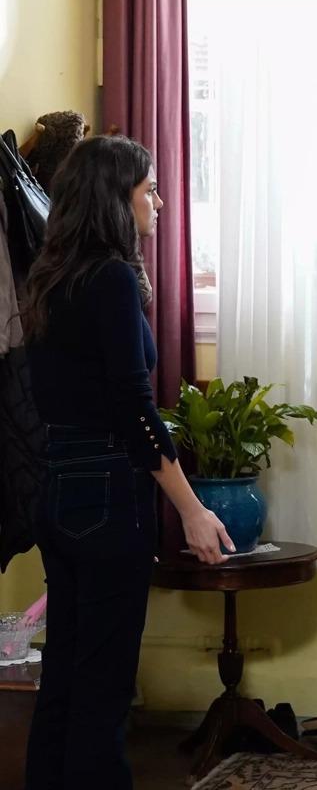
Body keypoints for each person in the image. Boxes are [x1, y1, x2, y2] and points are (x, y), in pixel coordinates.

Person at [22, 135, 233, 790]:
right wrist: (191, 509)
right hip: (109, 494)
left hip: (57, 486)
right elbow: (135, 409)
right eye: (150, 190)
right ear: (116, 199)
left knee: (65, 674)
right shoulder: (110, 278)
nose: (160, 203)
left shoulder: (50, 276)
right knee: (104, 684)